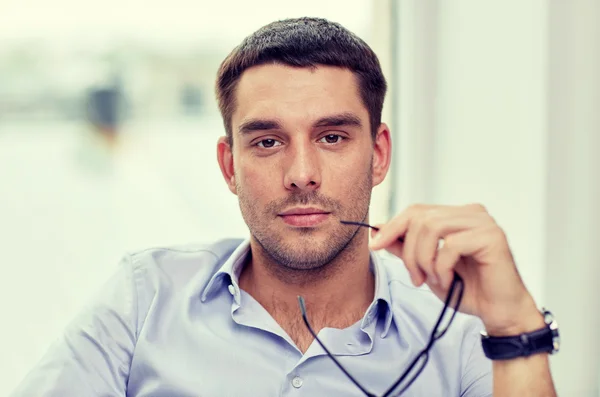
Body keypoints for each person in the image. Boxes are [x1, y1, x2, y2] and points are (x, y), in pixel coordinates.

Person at [10, 17, 559, 396]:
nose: (301, 175)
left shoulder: (462, 332)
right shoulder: (144, 298)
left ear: (379, 154)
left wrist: (515, 325)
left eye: (333, 138)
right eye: (268, 142)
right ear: (229, 166)